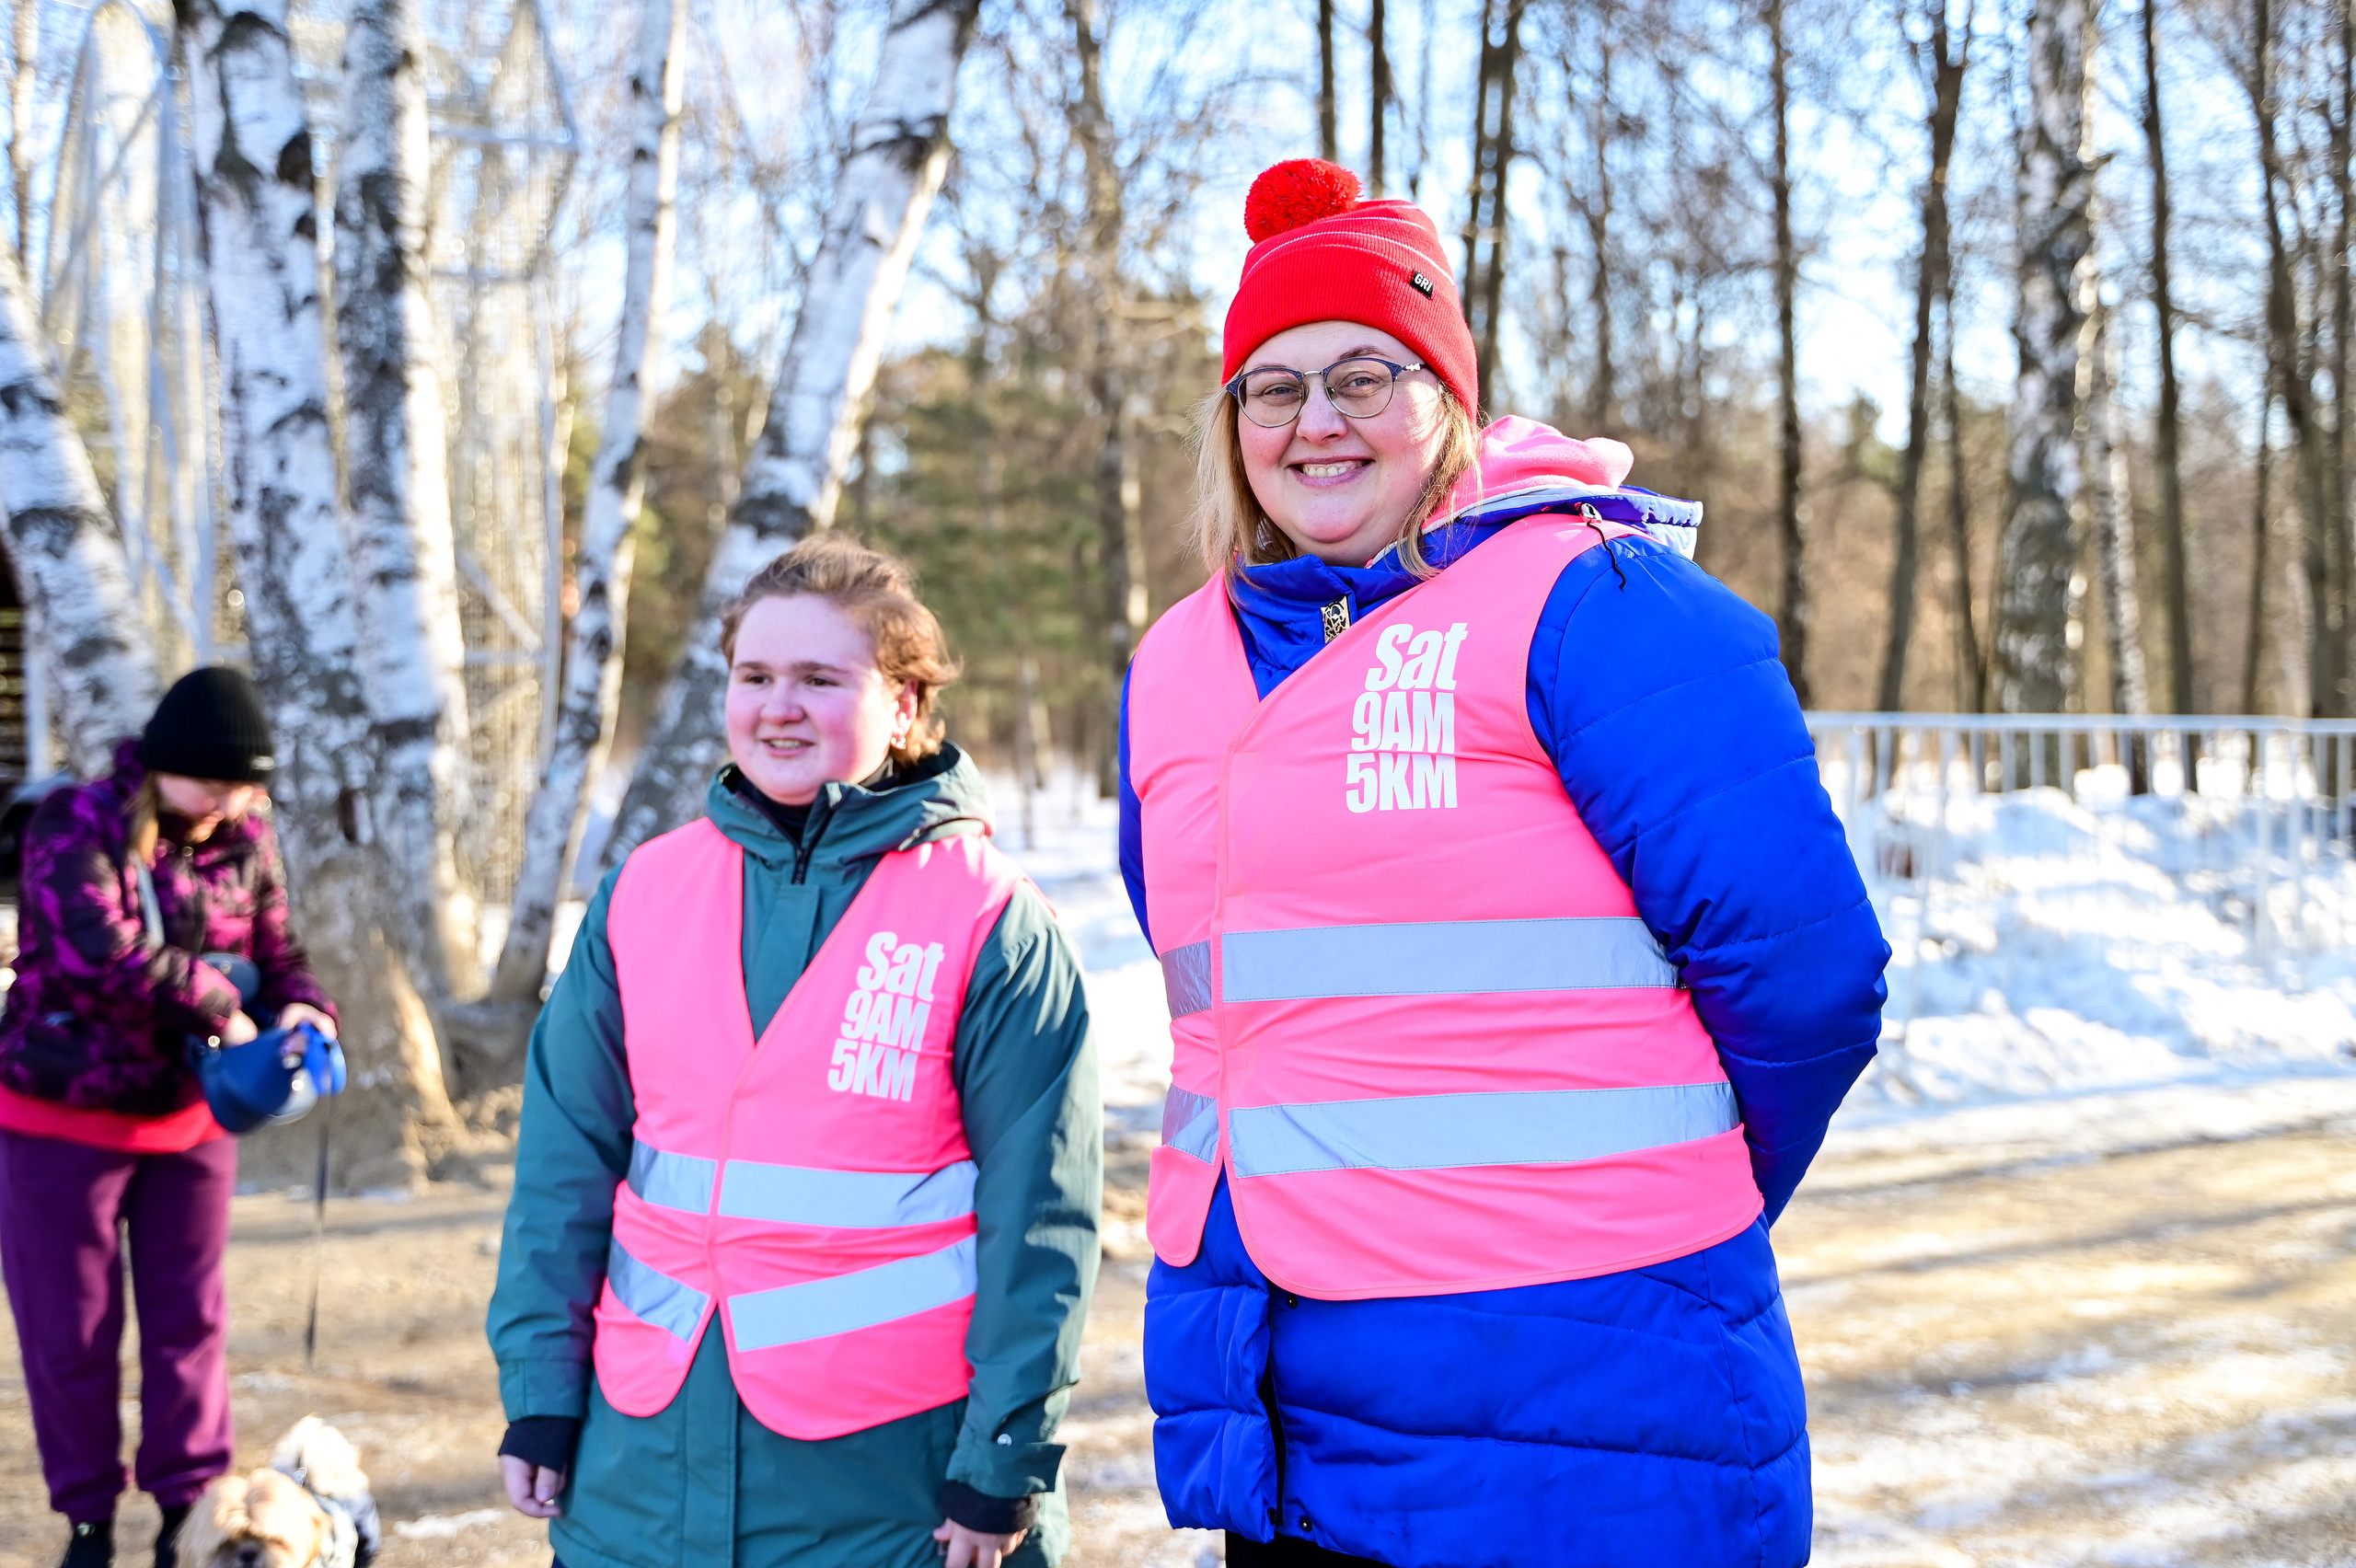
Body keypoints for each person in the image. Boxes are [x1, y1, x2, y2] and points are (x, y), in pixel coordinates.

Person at [1121, 158, 1891, 1568]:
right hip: (1286, 1428)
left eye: (1366, 375)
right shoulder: (1178, 666)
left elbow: (1809, 979)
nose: (1316, 422)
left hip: (1588, 1410)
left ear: (1448, 399)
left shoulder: (1598, 601)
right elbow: (1227, 1020)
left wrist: (1675, 1193)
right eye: (1272, 388)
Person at [487, 536, 1101, 1568]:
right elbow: (564, 1163)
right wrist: (542, 1392)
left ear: (903, 702)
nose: (779, 706)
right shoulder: (644, 891)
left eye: (821, 678)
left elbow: (1040, 1224)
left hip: (886, 1486)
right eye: (755, 676)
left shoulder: (989, 919)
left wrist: (1002, 1464)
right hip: (642, 1468)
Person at [0, 666, 339, 1568]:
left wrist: (305, 1010)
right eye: (216, 783)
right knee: (69, 1332)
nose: (231, 802)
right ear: (164, 765)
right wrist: (219, 1006)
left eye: (246, 787)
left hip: (188, 1128)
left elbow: (277, 945)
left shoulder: (245, 835)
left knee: (190, 1325)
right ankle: (85, 1519)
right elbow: (96, 951)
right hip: (60, 1118)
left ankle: (190, 1516)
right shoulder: (74, 823)